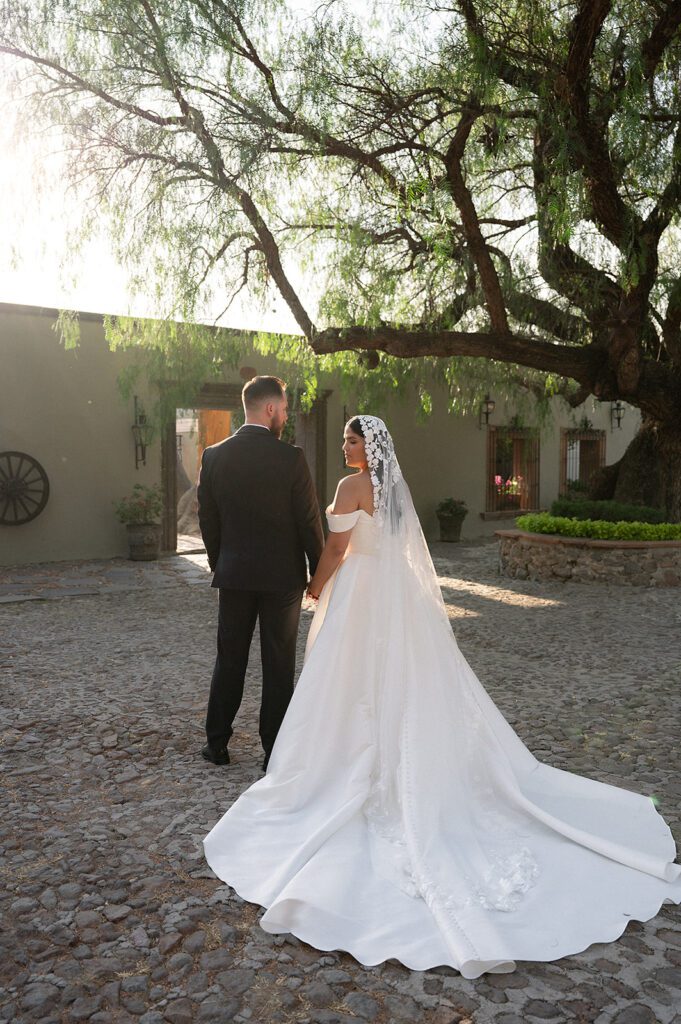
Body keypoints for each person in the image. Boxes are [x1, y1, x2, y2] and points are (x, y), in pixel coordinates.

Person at [203, 415, 681, 978]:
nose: (346, 446)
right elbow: (399, 547)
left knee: (349, 680)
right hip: (393, 594)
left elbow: (335, 549)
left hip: (359, 593)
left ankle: (338, 766)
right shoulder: (394, 490)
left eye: (352, 440)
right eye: (348, 439)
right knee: (394, 679)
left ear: (367, 446)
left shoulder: (349, 487)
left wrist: (315, 586)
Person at [197, 375, 324, 772]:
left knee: (229, 658)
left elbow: (208, 519)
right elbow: (309, 524)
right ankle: (274, 752)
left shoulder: (213, 456)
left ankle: (216, 744)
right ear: (270, 408)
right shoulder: (291, 458)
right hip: (282, 579)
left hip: (234, 575)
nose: (285, 415)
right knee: (278, 663)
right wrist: (319, 574)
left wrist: (222, 563)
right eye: (284, 408)